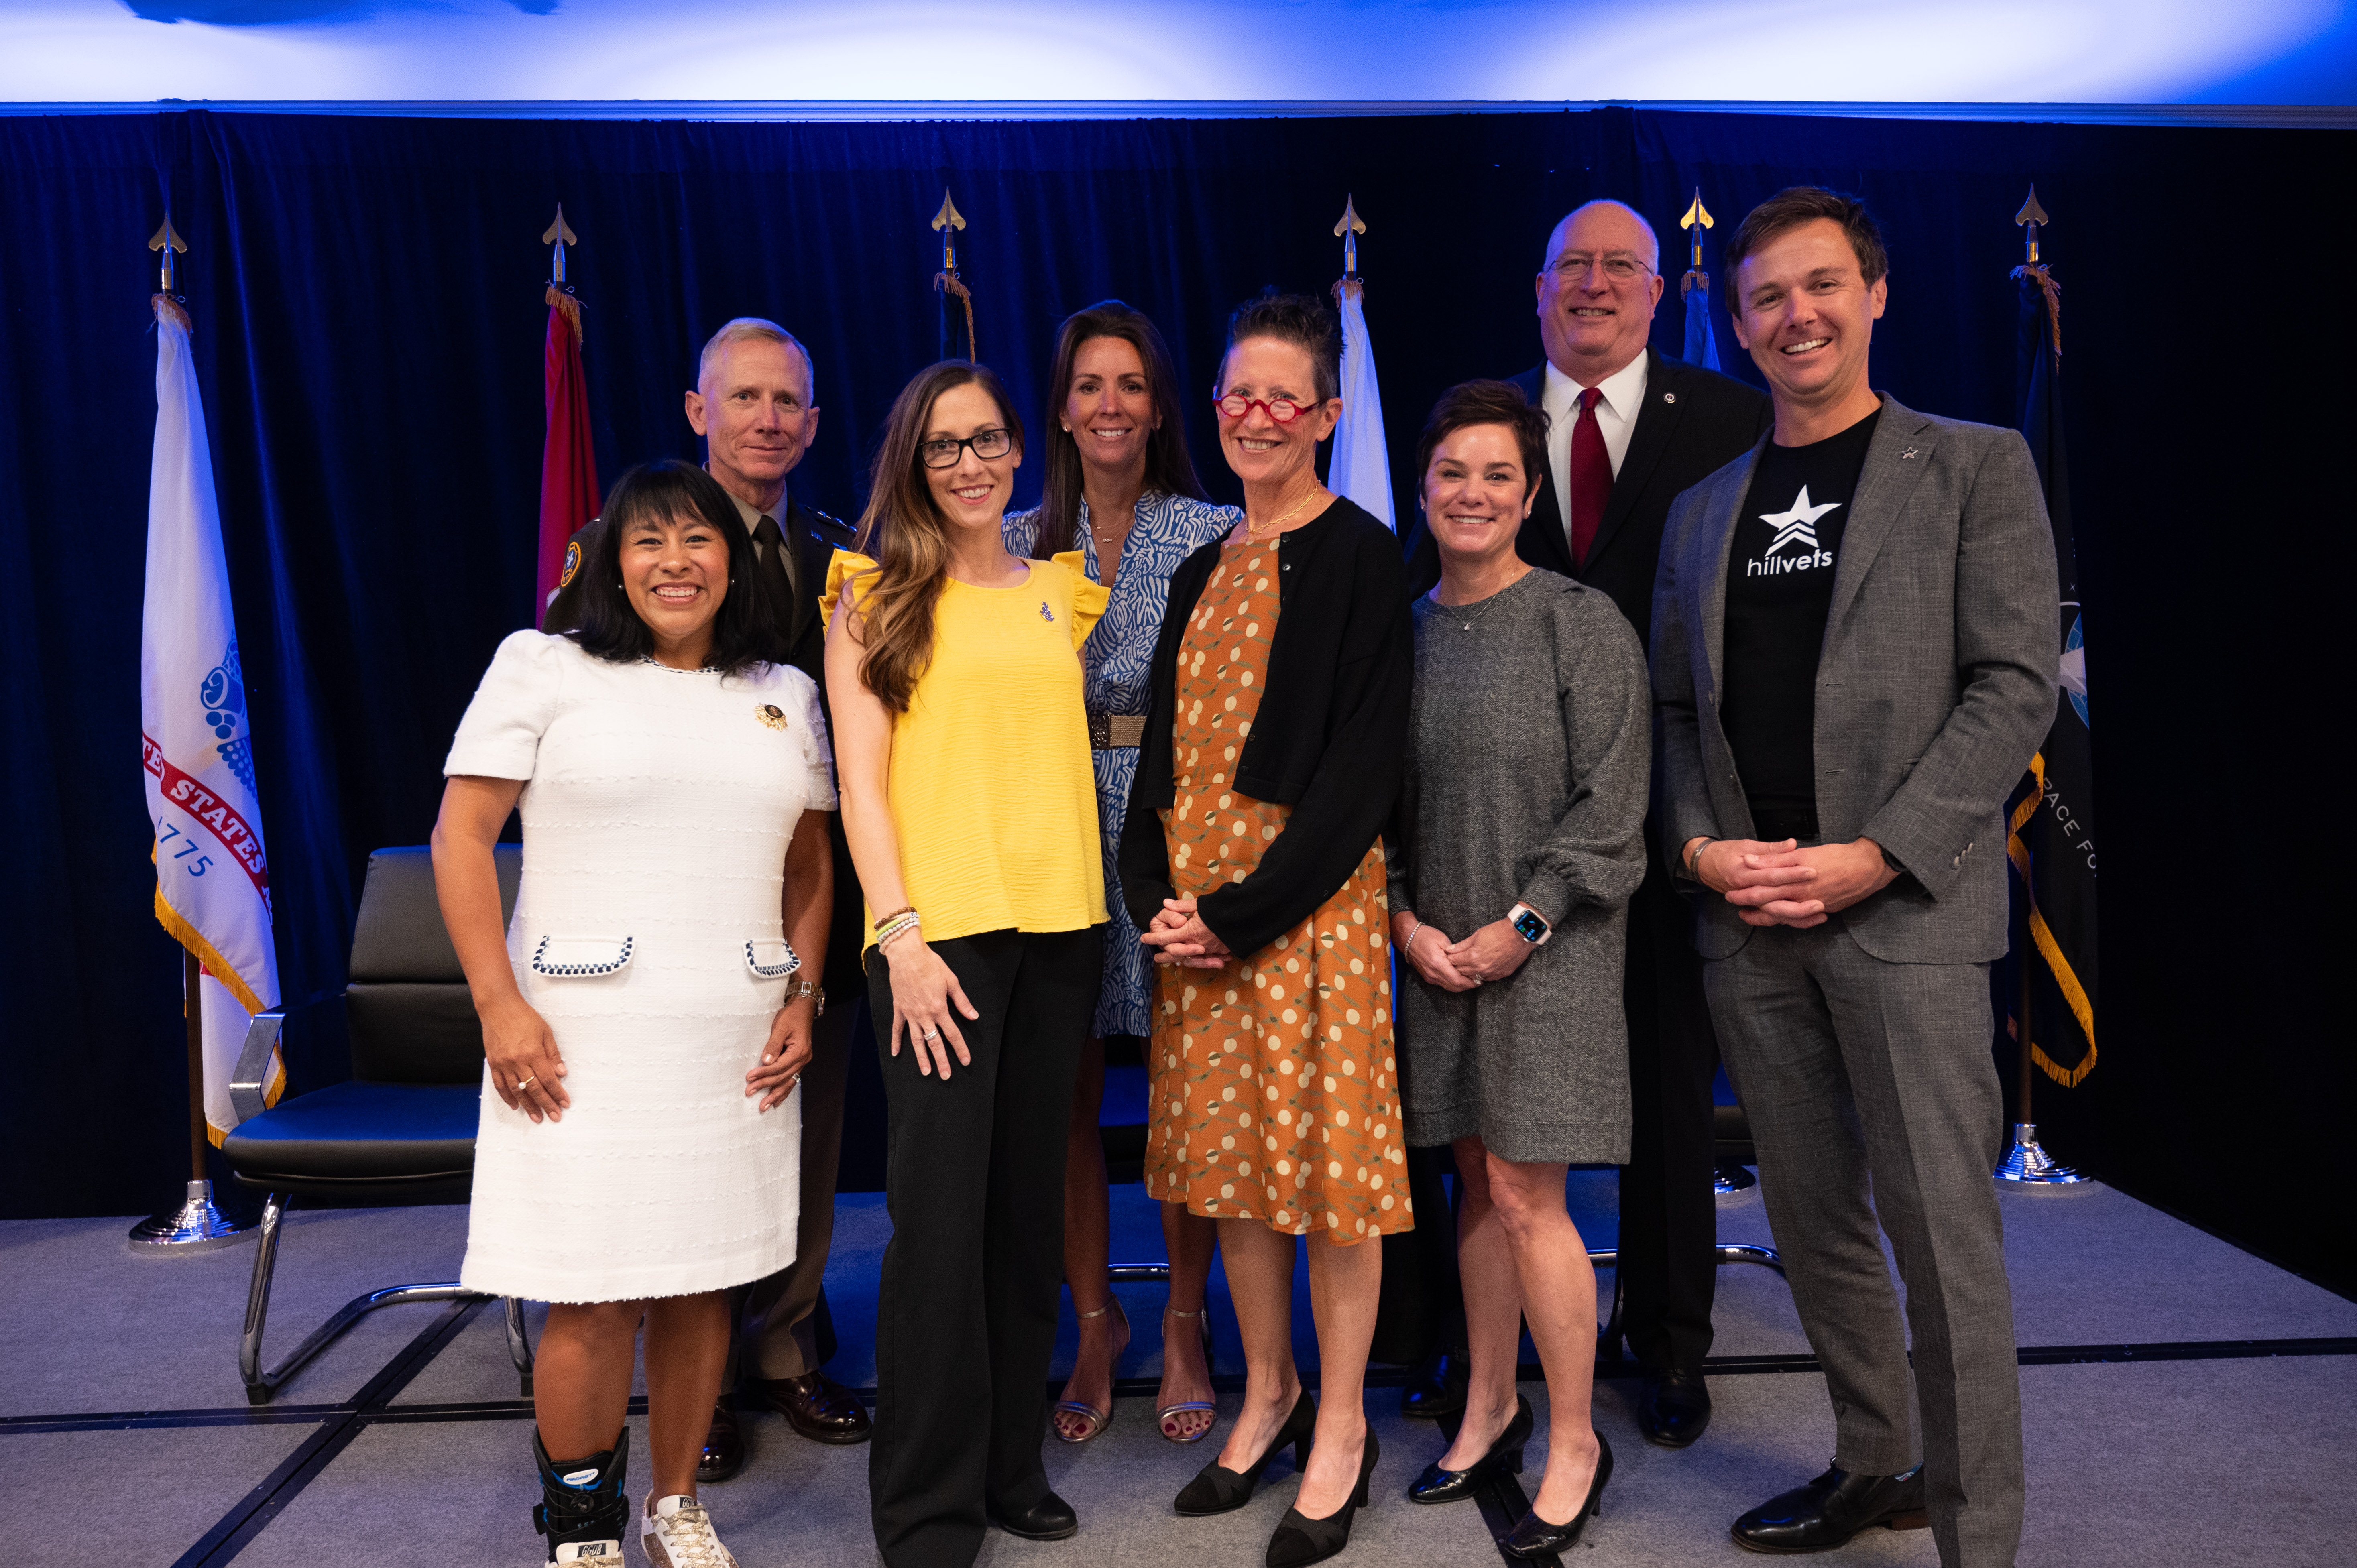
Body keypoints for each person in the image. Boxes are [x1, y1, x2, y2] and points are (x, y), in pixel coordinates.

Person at [1653, 187, 2055, 1566]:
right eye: (1767, 296)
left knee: (1947, 1247)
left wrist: (1874, 853)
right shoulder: (1704, 510)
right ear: (1740, 321)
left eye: (1822, 285)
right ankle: (1873, 1461)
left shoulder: (1974, 467)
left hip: (1904, 918)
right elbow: (1667, 716)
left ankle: (1977, 1535)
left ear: (1875, 295)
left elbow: (2013, 688)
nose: (1795, 314)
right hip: (1750, 925)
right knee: (1815, 1221)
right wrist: (1702, 849)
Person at [1397, 199, 1770, 1448]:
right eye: (1575, 266)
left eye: (1623, 266)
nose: (1597, 285)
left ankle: (1666, 1339)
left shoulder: (1728, 417)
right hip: (1486, 805)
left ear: (1660, 291)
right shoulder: (1480, 422)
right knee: (1478, 1117)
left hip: (1669, 804)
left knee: (1668, 1081)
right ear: (1539, 287)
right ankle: (1468, 1348)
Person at [433, 459, 837, 1567]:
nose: (676, 561)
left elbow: (811, 862)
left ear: (734, 558)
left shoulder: (784, 690)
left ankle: (675, 1506)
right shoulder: (545, 666)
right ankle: (581, 1529)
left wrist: (804, 993)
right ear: (614, 558)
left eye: (698, 540)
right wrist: (497, 1005)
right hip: (581, 1038)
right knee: (596, 1292)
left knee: (706, 1280)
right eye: (649, 540)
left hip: (737, 1038)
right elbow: (461, 839)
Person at [545, 317, 872, 1473]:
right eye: (745, 399)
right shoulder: (624, 545)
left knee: (805, 1128)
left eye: (788, 402)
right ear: (698, 412)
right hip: (669, 917)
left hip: (800, 899)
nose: (768, 420)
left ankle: (783, 1347)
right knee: (693, 1140)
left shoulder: (846, 552)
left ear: (815, 424)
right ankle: (702, 1374)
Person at [1120, 291, 1413, 1568]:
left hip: (1303, 914)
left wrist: (1239, 914)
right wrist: (1158, 904)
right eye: (1236, 394)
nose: (1252, 416)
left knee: (1333, 1186)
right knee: (1235, 1175)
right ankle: (1268, 1392)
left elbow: (1360, 771)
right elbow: (1161, 770)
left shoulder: (1359, 555)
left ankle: (1339, 1423)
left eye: (1279, 398)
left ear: (1326, 417)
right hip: (1197, 925)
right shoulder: (1201, 563)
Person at [823, 360, 1109, 1568]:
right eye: (945, 446)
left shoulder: (1063, 591)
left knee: (1020, 1217)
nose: (972, 462)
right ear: (911, 462)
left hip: (1061, 932)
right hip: (936, 944)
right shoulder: (869, 597)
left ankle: (1009, 1466)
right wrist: (902, 939)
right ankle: (928, 1512)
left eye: (988, 439)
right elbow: (862, 789)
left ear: (1018, 448)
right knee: (937, 1226)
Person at [1384, 380, 1651, 1558]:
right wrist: (1401, 922)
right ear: (1423, 488)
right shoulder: (1402, 634)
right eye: (1453, 474)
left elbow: (1614, 810)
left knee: (1529, 1197)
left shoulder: (1578, 621)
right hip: (1437, 956)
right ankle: (1490, 1405)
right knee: (1475, 1184)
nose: (1474, 494)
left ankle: (1578, 1436)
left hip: (1551, 956)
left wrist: (1524, 925)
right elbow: (1371, 809)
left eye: (1498, 475)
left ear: (1531, 493)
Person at [1002, 300, 1238, 1449]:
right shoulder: (1001, 537)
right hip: (1044, 827)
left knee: (1183, 1090)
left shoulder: (1217, 526)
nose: (1110, 404)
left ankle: (1187, 1320)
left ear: (1158, 405)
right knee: (1067, 1096)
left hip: (1174, 820)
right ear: (1060, 405)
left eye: (1131, 384)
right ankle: (1096, 1321)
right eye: (1089, 383)